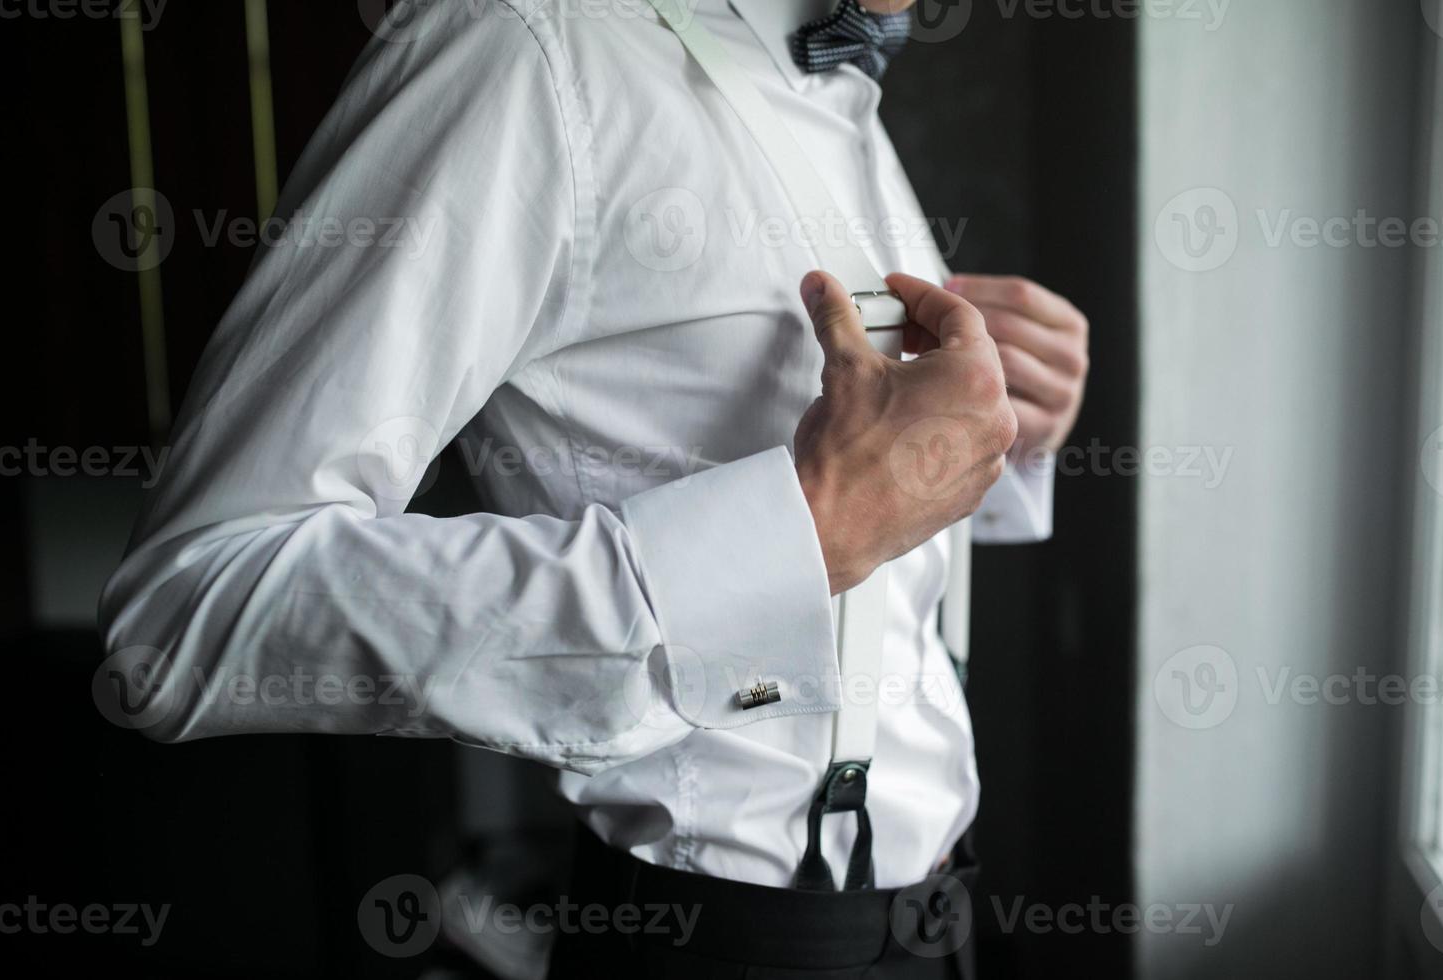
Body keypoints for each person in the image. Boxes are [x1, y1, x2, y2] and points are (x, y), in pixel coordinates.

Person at [99, 0, 1088, 975]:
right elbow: (192, 602)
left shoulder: (832, 77)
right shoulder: (523, 46)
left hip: (940, 921)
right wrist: (809, 527)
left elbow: (839, 497)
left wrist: (990, 432)